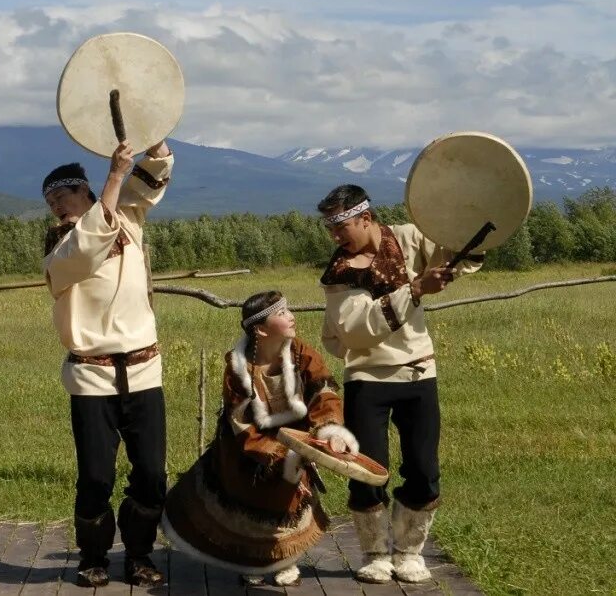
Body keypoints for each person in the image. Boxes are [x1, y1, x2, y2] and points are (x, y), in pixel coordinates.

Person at [317, 185, 481, 584]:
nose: (336, 236)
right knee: (368, 470)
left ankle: (409, 552)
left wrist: (470, 225)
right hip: (366, 378)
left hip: (419, 372)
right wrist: (416, 289)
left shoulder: (409, 237)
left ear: (366, 218)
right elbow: (357, 332)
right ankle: (375, 554)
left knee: (424, 468)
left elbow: (452, 254)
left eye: (342, 226)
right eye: (331, 228)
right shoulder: (339, 274)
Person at [41, 139, 172, 588]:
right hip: (91, 376)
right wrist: (115, 175)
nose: (56, 204)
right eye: (50, 200)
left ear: (86, 193)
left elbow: (150, 179)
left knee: (152, 474)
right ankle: (93, 555)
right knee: (97, 475)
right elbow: (87, 247)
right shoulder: (60, 247)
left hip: (143, 370)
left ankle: (139, 554)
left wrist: (154, 138)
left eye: (64, 194)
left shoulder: (126, 219)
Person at [162, 291, 358, 587]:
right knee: (249, 503)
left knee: (288, 502)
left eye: (288, 309)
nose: (291, 316)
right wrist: (273, 453)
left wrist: (329, 431)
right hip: (246, 450)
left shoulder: (302, 353)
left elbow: (324, 394)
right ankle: (251, 559)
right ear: (261, 329)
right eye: (281, 313)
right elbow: (239, 421)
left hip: (297, 441)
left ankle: (286, 561)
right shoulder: (238, 368)